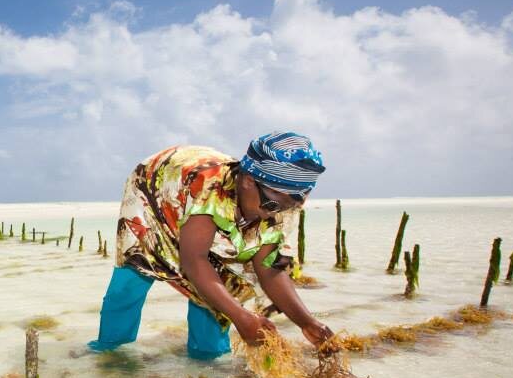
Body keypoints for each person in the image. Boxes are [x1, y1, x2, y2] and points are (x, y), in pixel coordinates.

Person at [88, 132, 334, 360]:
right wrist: (241, 317)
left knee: (223, 289)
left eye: (290, 205)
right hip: (157, 191)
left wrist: (308, 323)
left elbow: (269, 269)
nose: (276, 214)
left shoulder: (283, 201)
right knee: (135, 275)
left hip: (205, 208)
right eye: (272, 206)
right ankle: (111, 352)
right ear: (248, 181)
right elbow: (194, 261)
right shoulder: (208, 191)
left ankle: (207, 359)